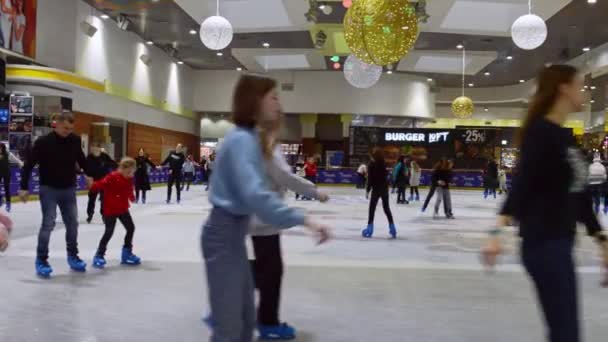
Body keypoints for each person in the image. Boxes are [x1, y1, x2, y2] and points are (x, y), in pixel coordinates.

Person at [482, 65, 608, 342]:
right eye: (579, 85)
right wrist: (495, 233)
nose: (584, 93)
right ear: (564, 88)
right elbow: (522, 185)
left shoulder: (565, 138)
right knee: (565, 333)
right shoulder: (541, 133)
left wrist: (601, 240)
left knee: (565, 332)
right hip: (543, 244)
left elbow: (580, 194)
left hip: (560, 243)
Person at [201, 74, 330, 342]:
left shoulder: (249, 138)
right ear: (254, 101)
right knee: (230, 329)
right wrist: (304, 219)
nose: (278, 104)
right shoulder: (241, 141)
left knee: (245, 321)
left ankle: (241, 312)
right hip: (223, 235)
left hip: (233, 235)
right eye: (273, 97)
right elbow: (256, 194)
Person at [250, 111, 329, 340]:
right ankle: (267, 322)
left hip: (259, 217)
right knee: (271, 271)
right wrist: (314, 191)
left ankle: (260, 315)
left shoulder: (255, 147)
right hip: (264, 218)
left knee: (266, 269)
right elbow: (286, 178)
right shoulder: (267, 149)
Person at [19, 112, 92, 278]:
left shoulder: (74, 140)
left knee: (72, 224)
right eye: (65, 128)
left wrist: (88, 174)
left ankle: (73, 256)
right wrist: (23, 187)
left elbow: (81, 159)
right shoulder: (43, 142)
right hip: (49, 189)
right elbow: (28, 165)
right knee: (48, 224)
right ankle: (41, 259)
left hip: (68, 189)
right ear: (56, 124)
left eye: (71, 128)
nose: (68, 131)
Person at [91, 157, 141, 269]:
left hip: (122, 209)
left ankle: (127, 252)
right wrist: (92, 185)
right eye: (129, 172)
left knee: (130, 228)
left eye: (133, 172)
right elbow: (100, 184)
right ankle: (99, 255)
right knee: (109, 232)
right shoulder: (112, 177)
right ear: (122, 169)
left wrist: (132, 197)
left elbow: (129, 190)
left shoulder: (129, 179)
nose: (131, 175)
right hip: (110, 210)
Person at [362, 148, 397, 239]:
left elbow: (370, 179)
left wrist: (367, 190)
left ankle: (370, 229)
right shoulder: (384, 164)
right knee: (386, 208)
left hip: (376, 189)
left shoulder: (371, 165)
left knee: (372, 209)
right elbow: (387, 177)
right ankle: (392, 228)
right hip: (384, 189)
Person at [85, 142, 118, 224]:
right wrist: (88, 178)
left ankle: (104, 215)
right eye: (93, 147)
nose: (95, 149)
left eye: (96, 147)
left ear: (99, 148)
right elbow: (85, 168)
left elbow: (113, 164)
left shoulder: (104, 156)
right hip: (93, 181)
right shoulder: (89, 157)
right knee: (91, 199)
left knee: (104, 199)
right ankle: (90, 214)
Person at [0, 142, 23, 212]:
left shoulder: (9, 154)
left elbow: (17, 160)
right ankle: (1, 199)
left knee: (7, 188)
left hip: (6, 173)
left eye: (0, 148)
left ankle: (8, 203)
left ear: (3, 148)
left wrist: (21, 164)